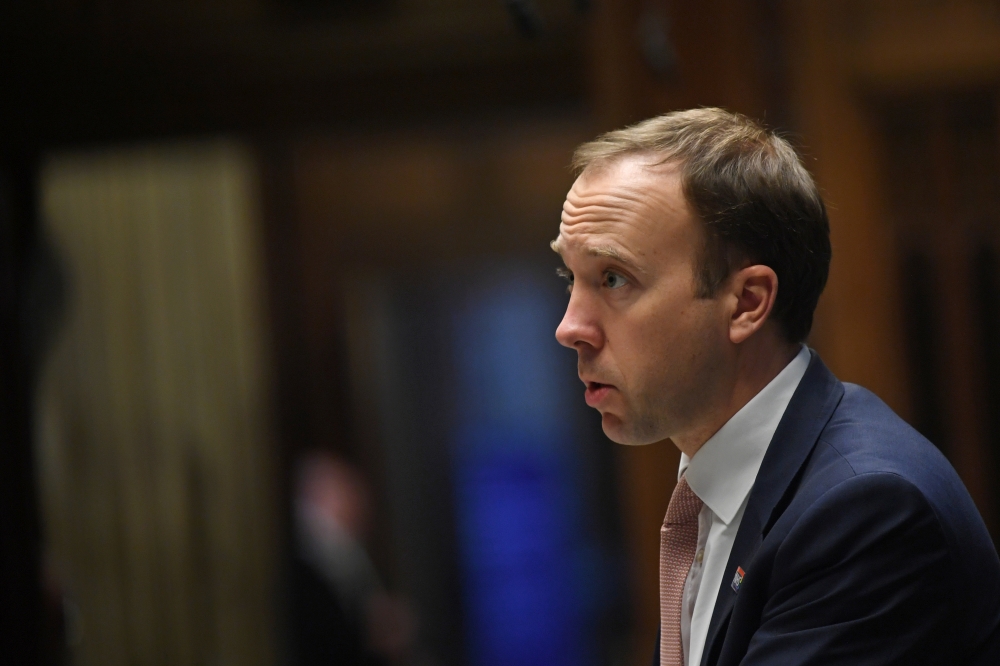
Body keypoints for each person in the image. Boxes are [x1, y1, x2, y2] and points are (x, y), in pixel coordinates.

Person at [550, 108, 1000, 666]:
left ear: (747, 303)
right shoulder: (719, 489)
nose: (570, 327)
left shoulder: (865, 511)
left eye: (613, 278)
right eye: (571, 278)